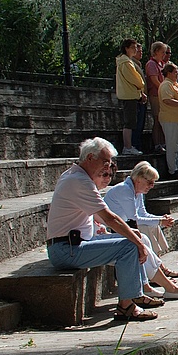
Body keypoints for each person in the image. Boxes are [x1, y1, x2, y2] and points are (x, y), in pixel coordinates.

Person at [45, 137, 158, 321]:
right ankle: (126, 307)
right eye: (105, 162)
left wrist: (134, 236)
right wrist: (136, 241)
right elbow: (109, 218)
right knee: (129, 245)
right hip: (66, 250)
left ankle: (136, 293)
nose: (108, 168)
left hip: (73, 244)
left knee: (133, 238)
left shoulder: (75, 176)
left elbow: (98, 216)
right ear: (90, 158)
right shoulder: (79, 181)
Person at [102, 161, 178, 299]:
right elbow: (134, 219)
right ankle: (165, 284)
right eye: (150, 182)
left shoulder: (137, 190)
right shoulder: (124, 190)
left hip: (123, 228)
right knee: (142, 236)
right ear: (139, 178)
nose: (152, 186)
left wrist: (159, 219)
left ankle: (155, 281)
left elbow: (143, 214)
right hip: (113, 230)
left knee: (147, 232)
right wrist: (159, 220)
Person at [115, 38, 146, 156]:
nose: (135, 50)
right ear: (126, 48)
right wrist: (141, 85)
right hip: (129, 96)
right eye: (133, 47)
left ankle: (129, 146)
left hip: (131, 94)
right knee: (129, 122)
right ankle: (127, 146)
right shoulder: (126, 63)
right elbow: (135, 79)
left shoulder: (126, 61)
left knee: (131, 122)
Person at [145, 41, 168, 153]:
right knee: (157, 119)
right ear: (156, 51)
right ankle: (157, 144)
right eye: (162, 52)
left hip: (163, 96)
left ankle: (163, 142)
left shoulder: (162, 64)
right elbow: (154, 80)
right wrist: (164, 90)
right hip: (155, 95)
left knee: (163, 120)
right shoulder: (151, 64)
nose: (164, 54)